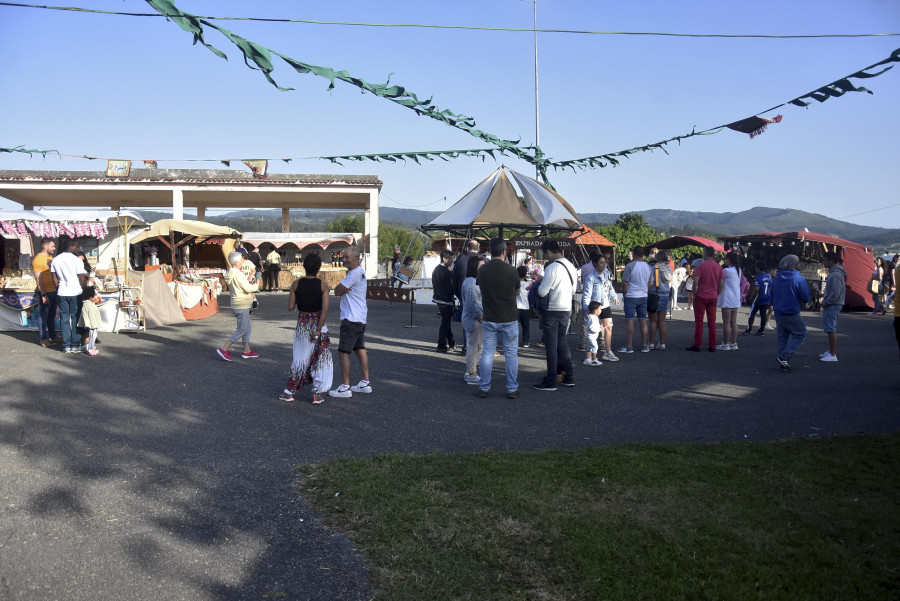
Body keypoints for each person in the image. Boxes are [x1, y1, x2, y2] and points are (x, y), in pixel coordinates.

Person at [280, 253, 333, 404]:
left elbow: (290, 307)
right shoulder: (323, 286)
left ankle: (289, 391)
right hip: (319, 324)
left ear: (304, 266)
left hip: (303, 324)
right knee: (322, 359)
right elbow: (325, 309)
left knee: (300, 358)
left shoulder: (295, 284)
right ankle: (318, 393)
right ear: (319, 267)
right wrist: (318, 328)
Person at [477, 238, 520, 399]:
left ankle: (484, 387)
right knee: (510, 354)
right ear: (504, 252)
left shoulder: (482, 270)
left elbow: (481, 288)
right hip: (509, 317)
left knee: (487, 353)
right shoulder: (511, 270)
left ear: (490, 251)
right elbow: (517, 291)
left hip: (490, 316)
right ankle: (512, 388)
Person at [533, 239, 578, 391]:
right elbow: (573, 290)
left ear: (549, 252)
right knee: (562, 343)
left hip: (552, 311)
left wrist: (539, 283)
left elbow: (542, 292)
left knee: (551, 347)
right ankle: (569, 376)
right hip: (566, 309)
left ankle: (551, 380)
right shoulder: (571, 266)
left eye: (546, 255)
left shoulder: (552, 267)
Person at [329, 246, 371, 398]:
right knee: (359, 349)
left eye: (346, 257)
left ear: (356, 257)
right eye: (343, 257)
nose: (343, 260)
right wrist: (341, 288)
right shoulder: (359, 272)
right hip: (359, 317)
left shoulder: (353, 274)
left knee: (343, 351)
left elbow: (337, 291)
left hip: (351, 318)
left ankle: (345, 387)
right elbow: (340, 289)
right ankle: (365, 382)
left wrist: (340, 288)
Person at [217, 251, 260, 361]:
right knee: (242, 329)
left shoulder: (232, 273)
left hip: (240, 304)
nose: (243, 260)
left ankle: (247, 351)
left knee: (247, 328)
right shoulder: (237, 274)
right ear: (236, 262)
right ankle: (224, 348)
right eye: (241, 259)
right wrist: (256, 284)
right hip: (241, 304)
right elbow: (248, 288)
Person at [772, 254, 810, 372]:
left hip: (778, 312)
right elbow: (805, 297)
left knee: (782, 337)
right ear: (794, 265)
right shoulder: (798, 279)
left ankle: (783, 363)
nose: (799, 265)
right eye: (798, 263)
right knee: (800, 334)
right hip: (792, 311)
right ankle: (784, 356)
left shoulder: (776, 278)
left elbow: (771, 295)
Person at [50, 239, 87, 353]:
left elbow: (54, 277)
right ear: (71, 246)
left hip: (62, 292)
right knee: (76, 318)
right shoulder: (77, 260)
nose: (77, 249)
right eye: (76, 247)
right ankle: (75, 344)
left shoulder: (55, 260)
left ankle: (66, 345)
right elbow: (81, 278)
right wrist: (85, 289)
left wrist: (59, 287)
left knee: (64, 319)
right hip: (75, 292)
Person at [582, 254, 620, 362]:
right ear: (595, 264)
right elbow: (587, 294)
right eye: (601, 262)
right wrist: (587, 309)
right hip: (595, 307)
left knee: (609, 327)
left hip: (606, 305)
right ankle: (589, 355)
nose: (604, 264)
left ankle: (608, 352)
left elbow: (610, 287)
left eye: (605, 262)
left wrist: (615, 297)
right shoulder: (591, 277)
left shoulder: (607, 274)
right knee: (592, 331)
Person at [686, 246, 724, 352]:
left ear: (706, 253)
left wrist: (694, 293)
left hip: (701, 296)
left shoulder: (701, 266)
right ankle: (712, 345)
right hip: (713, 296)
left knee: (699, 321)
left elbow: (696, 282)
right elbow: (721, 283)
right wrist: (717, 293)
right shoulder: (718, 267)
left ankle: (697, 344)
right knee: (712, 322)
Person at [618, 246, 651, 354]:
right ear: (643, 254)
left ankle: (629, 346)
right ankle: (645, 345)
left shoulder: (630, 266)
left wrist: (625, 294)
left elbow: (624, 283)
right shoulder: (648, 266)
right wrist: (645, 291)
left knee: (630, 320)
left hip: (631, 296)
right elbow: (650, 283)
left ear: (634, 254)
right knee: (643, 320)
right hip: (643, 296)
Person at [452, 240, 480, 353]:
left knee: (467, 318)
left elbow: (453, 281)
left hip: (463, 295)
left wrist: (459, 295)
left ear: (467, 248)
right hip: (480, 297)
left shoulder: (459, 261)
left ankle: (466, 347)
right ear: (477, 248)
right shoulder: (483, 260)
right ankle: (479, 347)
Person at [462, 255, 486, 385]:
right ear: (474, 267)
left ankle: (471, 372)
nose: (483, 268)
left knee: (476, 346)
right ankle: (471, 374)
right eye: (481, 266)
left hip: (475, 319)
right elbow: (472, 305)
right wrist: (481, 316)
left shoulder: (471, 281)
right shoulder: (471, 282)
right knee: (474, 346)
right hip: (475, 320)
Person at [31, 237, 59, 347]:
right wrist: (43, 294)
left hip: (53, 290)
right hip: (45, 292)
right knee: (43, 316)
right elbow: (38, 279)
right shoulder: (38, 260)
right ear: (45, 246)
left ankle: (53, 336)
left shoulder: (50, 257)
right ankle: (43, 338)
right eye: (52, 246)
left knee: (51, 315)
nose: (54, 248)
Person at [819, 251, 846, 363]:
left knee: (831, 328)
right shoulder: (835, 273)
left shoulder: (835, 274)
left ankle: (833, 353)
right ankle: (830, 350)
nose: (823, 262)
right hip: (833, 303)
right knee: (830, 327)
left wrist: (826, 301)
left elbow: (835, 292)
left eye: (825, 260)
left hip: (833, 304)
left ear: (831, 260)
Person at [431, 249, 456, 352]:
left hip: (438, 298)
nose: (452, 261)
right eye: (450, 259)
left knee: (446, 322)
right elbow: (450, 287)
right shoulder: (447, 272)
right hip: (446, 300)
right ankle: (441, 345)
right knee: (445, 323)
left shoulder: (436, 269)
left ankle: (451, 343)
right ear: (444, 259)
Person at [647, 250, 672, 350]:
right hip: (665, 295)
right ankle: (662, 344)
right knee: (662, 321)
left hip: (654, 295)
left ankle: (651, 344)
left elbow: (651, 282)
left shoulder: (654, 268)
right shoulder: (669, 268)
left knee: (653, 321)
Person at [717, 252, 742, 351]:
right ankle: (733, 343)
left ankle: (726, 344)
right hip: (736, 299)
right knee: (734, 322)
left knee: (726, 323)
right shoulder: (738, 270)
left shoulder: (727, 270)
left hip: (727, 299)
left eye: (726, 258)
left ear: (729, 259)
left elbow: (719, 280)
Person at [745, 261, 773, 335]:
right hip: (766, 298)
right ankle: (761, 330)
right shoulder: (769, 277)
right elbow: (770, 288)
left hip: (758, 298)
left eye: (756, 268)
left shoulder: (758, 277)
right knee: (763, 314)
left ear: (759, 268)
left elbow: (757, 289)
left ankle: (749, 329)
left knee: (752, 313)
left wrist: (751, 296)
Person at [77, 285, 102, 356]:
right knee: (93, 336)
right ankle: (90, 348)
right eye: (94, 296)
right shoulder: (89, 305)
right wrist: (94, 325)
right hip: (92, 325)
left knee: (92, 336)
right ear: (90, 297)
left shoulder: (87, 303)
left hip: (91, 324)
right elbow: (91, 316)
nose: (96, 297)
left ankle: (90, 347)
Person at [583, 301, 603, 366]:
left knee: (589, 347)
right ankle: (594, 360)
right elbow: (592, 328)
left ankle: (587, 359)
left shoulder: (591, 316)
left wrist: (599, 327)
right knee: (595, 347)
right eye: (600, 309)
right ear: (595, 310)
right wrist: (600, 329)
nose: (601, 311)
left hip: (589, 335)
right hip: (591, 336)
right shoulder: (593, 318)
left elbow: (588, 322)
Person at [516, 265, 531, 348]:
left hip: (516, 306)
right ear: (525, 274)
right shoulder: (528, 284)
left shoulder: (515, 284)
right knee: (525, 325)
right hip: (526, 306)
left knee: (515, 324)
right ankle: (526, 341)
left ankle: (515, 340)